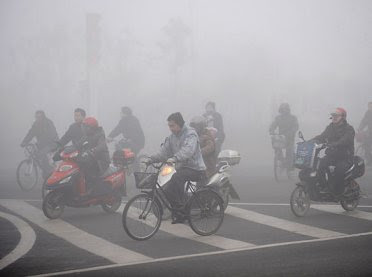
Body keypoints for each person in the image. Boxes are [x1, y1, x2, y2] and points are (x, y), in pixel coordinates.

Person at [148, 112, 206, 223]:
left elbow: (188, 151)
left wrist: (174, 158)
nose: (170, 128)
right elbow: (163, 152)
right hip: (182, 168)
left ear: (179, 124)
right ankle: (179, 212)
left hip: (196, 169)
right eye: (169, 126)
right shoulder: (172, 137)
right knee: (167, 188)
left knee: (176, 178)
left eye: (172, 126)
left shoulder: (190, 134)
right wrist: (151, 159)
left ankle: (181, 209)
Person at [312, 108, 355, 196]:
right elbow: (322, 137)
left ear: (343, 117)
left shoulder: (349, 129)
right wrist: (310, 142)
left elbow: (345, 140)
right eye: (333, 116)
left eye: (336, 116)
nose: (334, 117)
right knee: (320, 164)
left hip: (345, 157)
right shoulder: (330, 127)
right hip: (332, 155)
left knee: (339, 170)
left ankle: (338, 191)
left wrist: (334, 144)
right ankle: (324, 187)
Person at [21, 110, 59, 179]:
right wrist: (24, 142)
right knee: (37, 154)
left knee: (42, 154)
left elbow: (51, 135)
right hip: (42, 144)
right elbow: (30, 133)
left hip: (52, 143)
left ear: (43, 117)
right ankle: (45, 169)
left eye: (39, 117)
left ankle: (49, 170)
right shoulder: (36, 124)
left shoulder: (48, 123)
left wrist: (41, 143)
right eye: (36, 117)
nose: (37, 118)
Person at [78, 117, 110, 196]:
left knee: (91, 172)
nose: (84, 128)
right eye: (83, 126)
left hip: (101, 160)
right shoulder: (87, 135)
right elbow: (78, 144)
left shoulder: (100, 134)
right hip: (91, 158)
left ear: (91, 127)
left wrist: (93, 150)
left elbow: (102, 146)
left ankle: (95, 191)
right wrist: (67, 149)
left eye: (85, 126)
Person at [269, 103, 299, 170]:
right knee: (276, 146)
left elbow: (296, 126)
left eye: (285, 109)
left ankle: (290, 165)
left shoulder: (293, 118)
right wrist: (271, 130)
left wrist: (292, 132)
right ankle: (281, 160)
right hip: (281, 138)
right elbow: (273, 125)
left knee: (289, 151)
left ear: (288, 110)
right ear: (280, 110)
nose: (284, 111)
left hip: (290, 138)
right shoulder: (278, 118)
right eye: (282, 109)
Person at [358, 102, 372, 166]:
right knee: (366, 145)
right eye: (369, 106)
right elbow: (364, 121)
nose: (370, 108)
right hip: (370, 132)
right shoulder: (368, 113)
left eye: (370, 106)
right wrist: (360, 128)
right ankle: (369, 160)